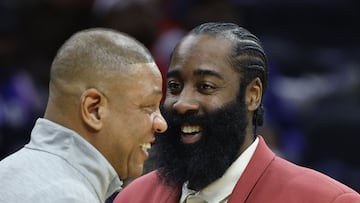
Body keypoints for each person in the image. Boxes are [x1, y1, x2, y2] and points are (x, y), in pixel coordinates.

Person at [114, 22, 360, 203]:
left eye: (206, 86)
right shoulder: (134, 197)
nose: (182, 103)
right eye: (175, 87)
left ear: (252, 94)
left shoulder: (328, 200)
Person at [0, 28, 168, 202]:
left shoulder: (7, 171)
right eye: (148, 106)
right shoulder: (66, 196)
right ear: (93, 110)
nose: (161, 123)